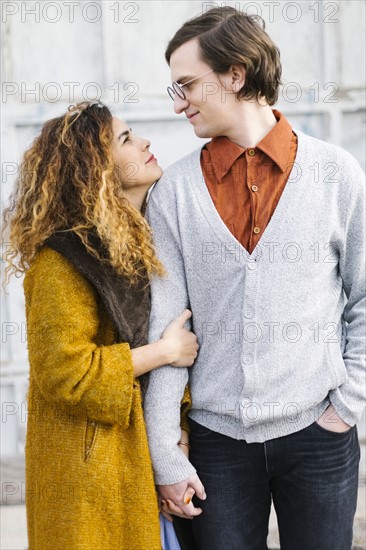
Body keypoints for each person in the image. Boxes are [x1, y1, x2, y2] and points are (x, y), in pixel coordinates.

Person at [143, 7, 365, 550]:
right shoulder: (172, 194)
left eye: (187, 84)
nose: (178, 103)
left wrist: (348, 405)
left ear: (236, 74)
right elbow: (165, 332)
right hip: (217, 446)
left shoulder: (335, 173)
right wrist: (165, 454)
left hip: (320, 434)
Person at [1, 101, 199, 550]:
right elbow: (67, 374)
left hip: (136, 461)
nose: (146, 142)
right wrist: (164, 352)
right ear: (94, 169)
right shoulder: (59, 262)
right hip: (87, 473)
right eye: (126, 139)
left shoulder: (142, 246)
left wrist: (175, 445)